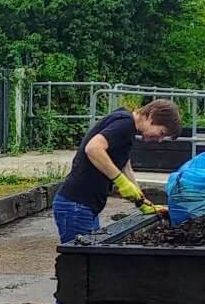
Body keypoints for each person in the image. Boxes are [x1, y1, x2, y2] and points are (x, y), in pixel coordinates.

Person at [52, 98, 184, 243]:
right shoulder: (124, 124)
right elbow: (93, 148)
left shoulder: (127, 128)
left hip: (85, 206)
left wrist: (142, 201)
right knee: (79, 259)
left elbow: (124, 164)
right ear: (152, 116)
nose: (159, 140)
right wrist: (119, 180)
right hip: (76, 205)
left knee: (90, 257)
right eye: (161, 133)